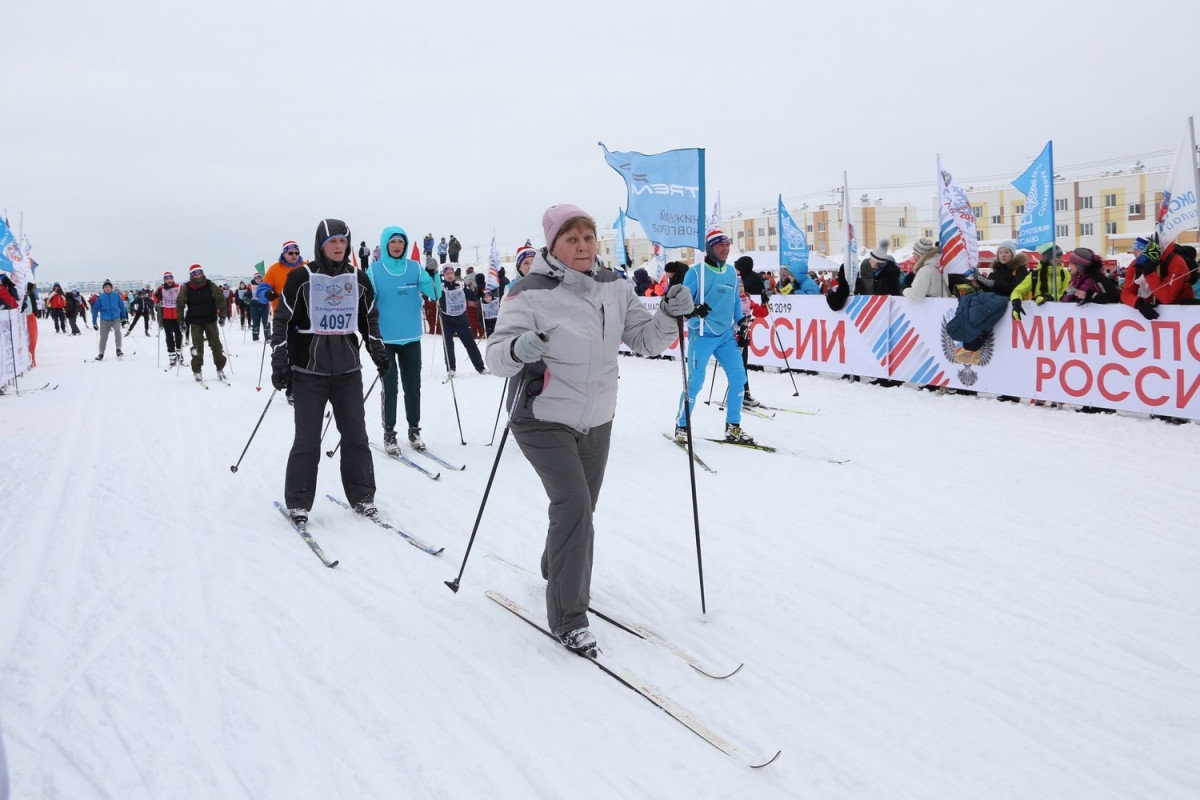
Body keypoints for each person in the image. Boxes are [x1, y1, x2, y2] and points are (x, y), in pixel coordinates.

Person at [484, 203, 693, 654]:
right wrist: (519, 347)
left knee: (580, 509)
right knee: (575, 504)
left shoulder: (615, 286)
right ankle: (568, 617)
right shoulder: (528, 291)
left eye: (587, 238)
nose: (581, 247)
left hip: (597, 417)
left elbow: (644, 339)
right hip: (540, 416)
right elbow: (495, 356)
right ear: (553, 245)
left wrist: (670, 318)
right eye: (570, 239)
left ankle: (556, 567)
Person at [271, 218, 388, 524]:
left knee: (355, 436)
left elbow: (369, 319)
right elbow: (281, 319)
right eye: (332, 241)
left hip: (348, 370)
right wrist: (279, 360)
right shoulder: (301, 277)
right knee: (307, 439)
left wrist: (378, 352)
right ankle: (298, 502)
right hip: (309, 371)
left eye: (343, 241)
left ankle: (362, 496)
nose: (338, 247)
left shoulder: (358, 278)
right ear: (320, 245)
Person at [675, 229, 757, 445]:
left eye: (728, 244)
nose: (725, 248)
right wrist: (693, 310)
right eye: (720, 245)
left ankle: (733, 427)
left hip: (725, 336)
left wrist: (741, 321)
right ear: (710, 248)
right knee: (695, 382)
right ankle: (682, 426)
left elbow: (736, 301)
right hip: (702, 334)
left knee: (739, 379)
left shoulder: (731, 272)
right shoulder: (695, 272)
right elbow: (680, 303)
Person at [365, 226, 442, 455]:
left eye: (400, 242)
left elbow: (435, 294)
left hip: (411, 337)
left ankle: (414, 430)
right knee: (390, 387)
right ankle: (389, 433)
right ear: (385, 245)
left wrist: (433, 273)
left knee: (413, 387)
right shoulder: (374, 270)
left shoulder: (414, 268)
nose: (397, 246)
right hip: (386, 339)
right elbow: (367, 302)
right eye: (393, 242)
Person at [263, 241, 306, 400]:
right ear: (284, 254)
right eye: (291, 253)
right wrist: (267, 294)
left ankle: (313, 388)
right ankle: (292, 390)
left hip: (307, 319)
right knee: (291, 355)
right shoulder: (275, 269)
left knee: (310, 354)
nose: (294, 256)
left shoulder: (306, 267)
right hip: (285, 319)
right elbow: (262, 289)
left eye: (296, 253)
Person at [1119, 235, 1195, 319]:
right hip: (1157, 314)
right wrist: (1138, 303)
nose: (1133, 252)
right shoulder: (1136, 264)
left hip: (1182, 313)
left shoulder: (1176, 263)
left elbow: (1166, 298)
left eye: (1137, 249)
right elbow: (1125, 293)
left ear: (1149, 251)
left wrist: (1149, 274)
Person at [176, 265, 229, 381]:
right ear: (191, 275)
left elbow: (221, 300)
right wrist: (181, 322)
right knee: (197, 347)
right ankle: (197, 370)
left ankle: (220, 368)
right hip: (195, 322)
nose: (198, 275)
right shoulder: (186, 288)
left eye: (199, 272)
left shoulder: (210, 285)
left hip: (210, 320)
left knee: (216, 345)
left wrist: (222, 316)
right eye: (195, 273)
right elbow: (180, 305)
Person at [437, 264, 486, 376]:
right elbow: (432, 297)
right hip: (447, 321)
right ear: (444, 275)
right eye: (447, 273)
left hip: (461, 320)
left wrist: (479, 292)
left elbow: (473, 297)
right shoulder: (441, 286)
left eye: (451, 273)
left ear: (454, 274)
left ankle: (480, 367)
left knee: (470, 344)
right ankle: (451, 368)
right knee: (448, 345)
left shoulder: (461, 285)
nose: (450, 275)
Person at [1010, 244, 1070, 320]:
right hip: (1039, 318)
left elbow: (1065, 294)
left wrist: (1050, 297)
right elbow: (1017, 291)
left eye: (1061, 257)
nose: (1062, 260)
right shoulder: (1034, 275)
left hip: (1060, 317)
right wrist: (1016, 303)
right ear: (1049, 259)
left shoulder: (1065, 274)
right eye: (1058, 257)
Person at [91, 279, 127, 360]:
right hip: (104, 319)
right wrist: (94, 322)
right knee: (103, 337)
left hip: (115, 318)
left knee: (117, 331)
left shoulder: (116, 296)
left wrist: (124, 318)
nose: (107, 288)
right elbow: (95, 310)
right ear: (103, 288)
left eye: (109, 287)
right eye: (106, 287)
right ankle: (101, 353)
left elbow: (122, 306)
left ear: (111, 288)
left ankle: (118, 349)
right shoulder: (100, 297)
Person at [155, 272, 184, 365]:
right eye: (167, 279)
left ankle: (179, 352)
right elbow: (155, 297)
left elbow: (186, 295)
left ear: (173, 279)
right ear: (164, 280)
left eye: (170, 278)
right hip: (166, 316)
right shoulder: (161, 288)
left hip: (177, 316)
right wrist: (157, 298)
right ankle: (172, 355)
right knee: (169, 337)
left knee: (179, 335)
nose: (169, 280)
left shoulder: (179, 287)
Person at [248, 273, 272, 341]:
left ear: (261, 278)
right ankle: (255, 338)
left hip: (264, 305)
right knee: (255, 322)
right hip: (254, 305)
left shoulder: (265, 285)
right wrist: (246, 298)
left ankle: (268, 337)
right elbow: (247, 294)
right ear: (254, 279)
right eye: (256, 278)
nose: (258, 280)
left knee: (266, 321)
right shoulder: (250, 286)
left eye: (259, 278)